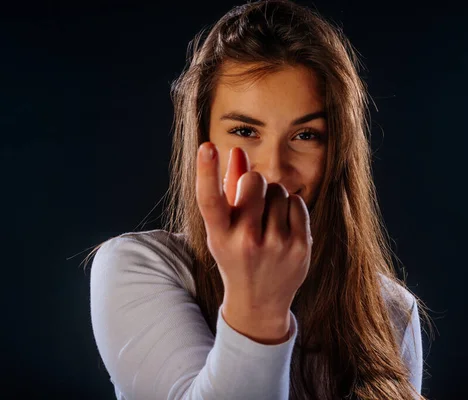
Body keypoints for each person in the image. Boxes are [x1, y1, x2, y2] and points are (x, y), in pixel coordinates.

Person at [88, 0, 429, 399]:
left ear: (338, 151)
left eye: (305, 136)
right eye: (245, 132)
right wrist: (259, 307)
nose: (273, 171)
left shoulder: (389, 309)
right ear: (204, 140)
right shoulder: (139, 267)